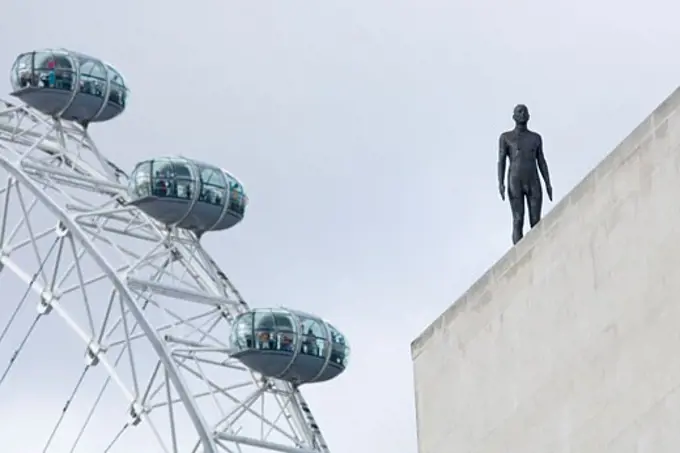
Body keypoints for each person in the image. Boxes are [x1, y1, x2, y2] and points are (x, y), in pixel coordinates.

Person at [497, 104, 553, 244]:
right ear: (514, 116)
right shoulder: (506, 137)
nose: (522, 114)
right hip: (515, 179)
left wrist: (547, 183)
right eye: (519, 112)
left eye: (524, 112)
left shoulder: (536, 138)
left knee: (535, 220)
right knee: (518, 218)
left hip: (533, 178)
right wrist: (501, 182)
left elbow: (541, 160)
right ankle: (518, 253)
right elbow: (501, 160)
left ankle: (538, 247)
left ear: (528, 116)